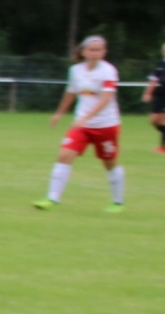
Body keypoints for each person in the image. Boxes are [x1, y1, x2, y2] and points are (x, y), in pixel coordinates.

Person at [34, 34, 124, 212]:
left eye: (98, 50)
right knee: (64, 155)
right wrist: (59, 113)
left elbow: (106, 99)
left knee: (109, 162)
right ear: (83, 51)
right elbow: (71, 93)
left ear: (104, 52)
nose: (95, 53)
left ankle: (117, 201)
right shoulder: (75, 70)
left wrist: (86, 117)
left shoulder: (108, 71)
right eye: (91, 49)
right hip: (82, 126)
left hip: (106, 125)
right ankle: (52, 198)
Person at [143, 42, 165, 153]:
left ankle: (163, 147)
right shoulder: (161, 64)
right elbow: (153, 80)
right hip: (159, 95)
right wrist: (148, 93)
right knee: (153, 120)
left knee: (162, 121)